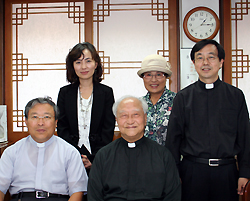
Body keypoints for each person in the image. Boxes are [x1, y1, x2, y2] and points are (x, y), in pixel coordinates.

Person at [166, 39, 250, 201]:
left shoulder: (235, 96)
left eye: (211, 57)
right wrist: (175, 173)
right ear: (194, 63)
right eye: (199, 57)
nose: (205, 62)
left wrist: (245, 173)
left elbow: (245, 137)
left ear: (221, 62)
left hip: (226, 172)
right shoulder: (183, 97)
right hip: (192, 172)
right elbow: (173, 140)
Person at [87, 96, 181, 201]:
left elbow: (173, 196)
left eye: (135, 114)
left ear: (145, 119)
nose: (130, 121)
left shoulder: (163, 155)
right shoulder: (103, 156)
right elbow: (94, 196)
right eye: (124, 115)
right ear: (117, 120)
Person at [0, 97, 88, 201]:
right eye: (35, 117)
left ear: (56, 122)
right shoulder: (11, 152)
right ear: (26, 121)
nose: (40, 123)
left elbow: (77, 192)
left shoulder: (70, 152)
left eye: (47, 117)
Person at [57, 42, 115, 172]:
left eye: (88, 61)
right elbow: (62, 128)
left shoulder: (106, 93)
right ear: (72, 66)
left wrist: (93, 158)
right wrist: (76, 156)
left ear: (96, 64)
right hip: (70, 157)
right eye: (78, 62)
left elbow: (108, 129)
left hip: (99, 158)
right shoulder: (65, 93)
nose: (83, 66)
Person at [137, 54, 176, 146]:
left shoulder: (178, 101)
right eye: (148, 75)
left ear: (166, 77)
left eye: (159, 74)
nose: (154, 80)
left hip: (170, 157)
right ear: (143, 78)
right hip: (143, 157)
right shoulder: (138, 104)